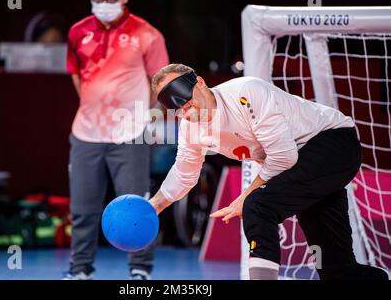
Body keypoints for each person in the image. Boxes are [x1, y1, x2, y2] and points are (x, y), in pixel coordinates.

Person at [148, 63, 389, 280]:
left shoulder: (245, 92)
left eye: (186, 100)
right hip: (303, 170)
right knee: (337, 272)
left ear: (199, 82)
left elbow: (284, 156)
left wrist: (245, 197)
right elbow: (184, 173)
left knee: (257, 205)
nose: (186, 111)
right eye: (177, 108)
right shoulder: (192, 130)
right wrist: (152, 208)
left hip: (333, 144)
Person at [64, 0, 169, 280]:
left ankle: (140, 269)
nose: (103, 3)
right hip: (86, 133)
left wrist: (146, 116)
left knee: (137, 206)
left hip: (130, 133)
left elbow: (159, 81)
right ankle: (80, 269)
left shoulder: (147, 34)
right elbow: (76, 76)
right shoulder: (77, 32)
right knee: (83, 208)